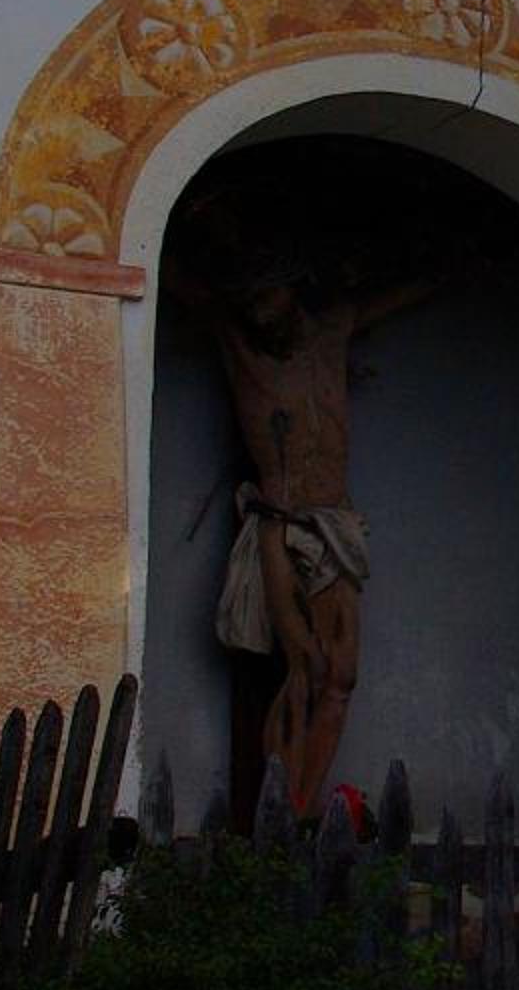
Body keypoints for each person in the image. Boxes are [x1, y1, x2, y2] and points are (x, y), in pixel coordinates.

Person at [168, 181, 444, 824]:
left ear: (292, 290)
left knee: (341, 679)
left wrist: (454, 264)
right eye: (250, 299)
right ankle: (279, 811)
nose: (259, 310)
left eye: (267, 295)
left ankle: (305, 806)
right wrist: (193, 217)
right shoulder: (241, 346)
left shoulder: (332, 332)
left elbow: (403, 293)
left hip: (337, 524)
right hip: (280, 526)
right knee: (304, 670)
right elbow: (187, 289)